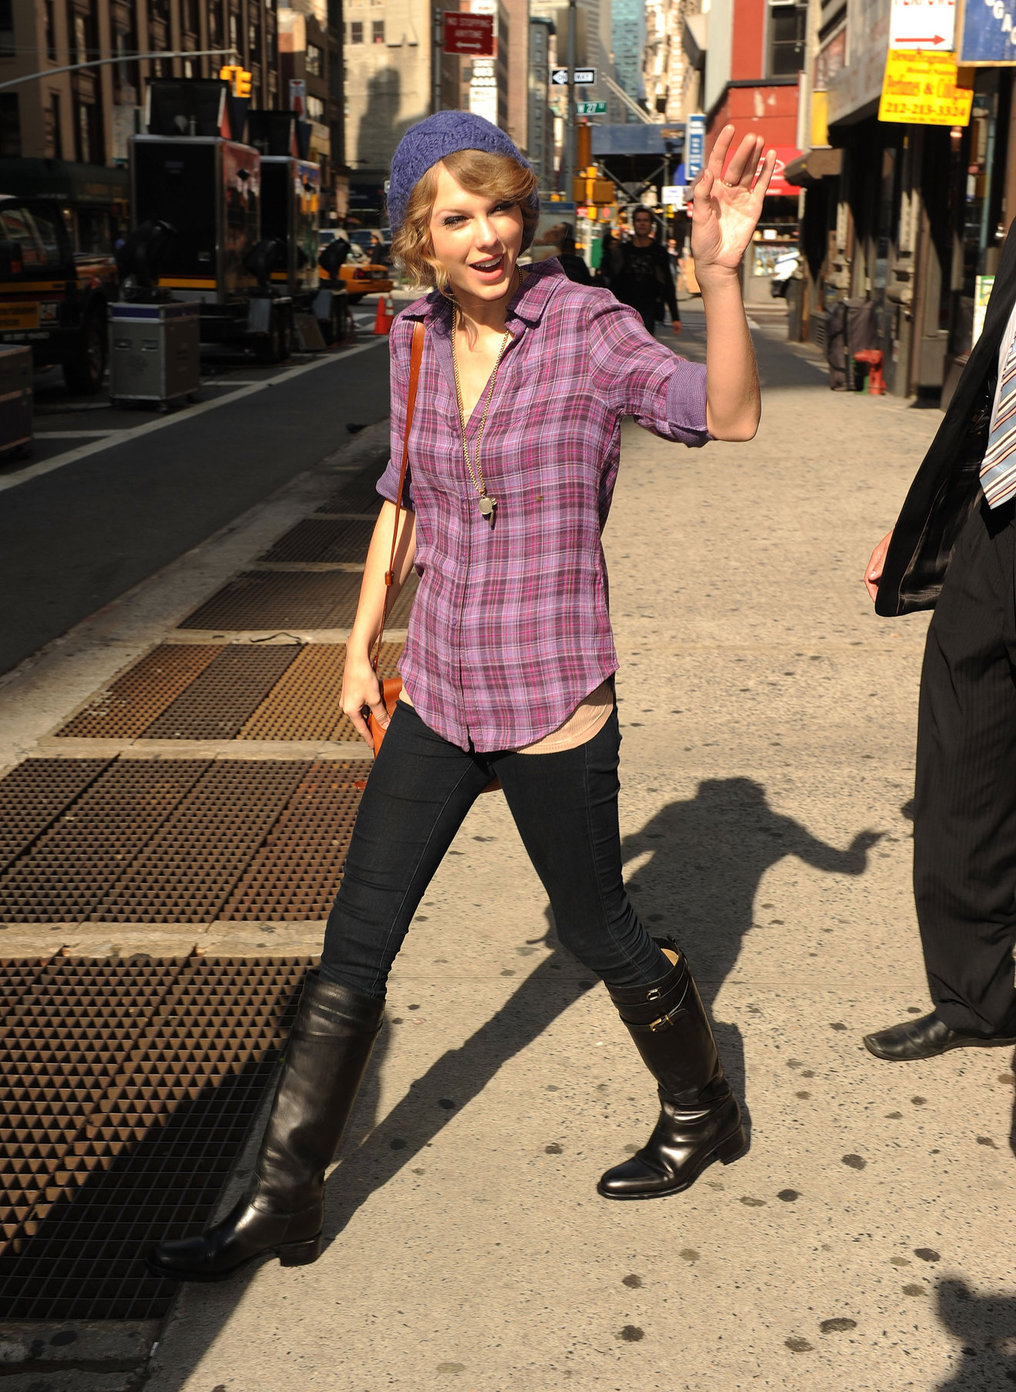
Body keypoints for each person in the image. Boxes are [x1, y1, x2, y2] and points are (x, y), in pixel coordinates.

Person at [147, 110, 775, 1283]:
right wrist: (355, 645)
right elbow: (403, 491)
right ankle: (282, 1203)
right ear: (417, 241)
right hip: (436, 684)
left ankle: (701, 1111)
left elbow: (724, 414)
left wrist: (720, 275)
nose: (485, 236)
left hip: (549, 691)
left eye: (497, 208)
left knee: (598, 929)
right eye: (454, 218)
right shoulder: (413, 338)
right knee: (355, 942)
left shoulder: (584, 327)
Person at [862, 220, 1016, 1062]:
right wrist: (931, 522)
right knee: (963, 763)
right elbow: (997, 383)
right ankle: (978, 997)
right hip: (1000, 518)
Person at [609, 205, 682, 336]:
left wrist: (675, 317)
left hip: (649, 309)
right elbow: (613, 283)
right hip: (625, 309)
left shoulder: (659, 252)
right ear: (633, 224)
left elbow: (668, 284)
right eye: (638, 220)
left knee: (645, 349)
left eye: (645, 220)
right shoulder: (623, 251)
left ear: (651, 224)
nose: (642, 224)